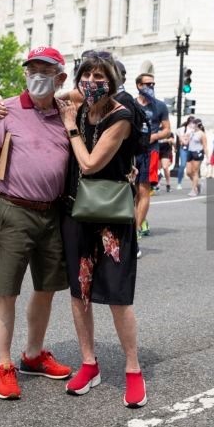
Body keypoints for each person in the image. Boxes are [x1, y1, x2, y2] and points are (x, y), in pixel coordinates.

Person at [0, 46, 72, 401]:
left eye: (46, 71)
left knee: (46, 288)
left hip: (53, 213)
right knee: (7, 290)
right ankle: (3, 364)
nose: (38, 77)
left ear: (60, 78)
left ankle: (33, 354)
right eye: (32, 69)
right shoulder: (5, 110)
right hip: (15, 211)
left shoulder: (66, 112)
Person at [58, 54, 147, 408]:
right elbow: (46, 95)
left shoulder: (121, 116)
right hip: (76, 212)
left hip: (111, 216)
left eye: (100, 75)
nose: (92, 81)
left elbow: (90, 163)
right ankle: (89, 363)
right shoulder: (81, 104)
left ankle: (133, 369)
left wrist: (71, 127)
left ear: (113, 80)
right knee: (79, 292)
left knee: (118, 296)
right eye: (87, 75)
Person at [134, 73, 170, 237]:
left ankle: (135, 230)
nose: (150, 87)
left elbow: (167, 130)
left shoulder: (160, 106)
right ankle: (139, 220)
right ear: (138, 86)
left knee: (144, 190)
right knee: (132, 192)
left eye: (153, 84)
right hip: (132, 152)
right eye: (147, 84)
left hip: (151, 152)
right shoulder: (131, 104)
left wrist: (153, 137)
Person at [185, 118, 208, 197]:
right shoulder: (191, 132)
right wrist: (184, 136)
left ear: (198, 124)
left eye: (194, 123)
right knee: (188, 172)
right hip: (190, 151)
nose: (192, 125)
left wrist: (207, 158)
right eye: (192, 123)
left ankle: (194, 189)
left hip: (197, 152)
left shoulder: (201, 134)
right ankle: (198, 185)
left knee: (195, 172)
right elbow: (186, 142)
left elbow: (205, 146)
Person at [174, 117, 194, 190]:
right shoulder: (183, 129)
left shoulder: (194, 130)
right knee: (182, 165)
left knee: (191, 169)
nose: (193, 124)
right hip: (184, 149)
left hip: (192, 149)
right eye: (192, 123)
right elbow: (177, 133)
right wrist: (182, 138)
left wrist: (186, 138)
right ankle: (179, 183)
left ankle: (194, 183)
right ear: (189, 122)